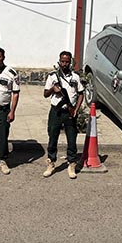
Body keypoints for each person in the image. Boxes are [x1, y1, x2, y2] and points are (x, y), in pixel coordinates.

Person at [43, 51, 84, 179]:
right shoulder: (53, 76)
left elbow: (81, 93)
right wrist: (53, 89)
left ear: (70, 62)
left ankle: (71, 163)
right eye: (62, 61)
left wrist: (76, 109)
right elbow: (45, 94)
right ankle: (51, 162)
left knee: (71, 139)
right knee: (52, 137)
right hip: (56, 111)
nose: (64, 64)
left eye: (67, 62)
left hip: (69, 112)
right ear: (59, 61)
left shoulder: (75, 77)